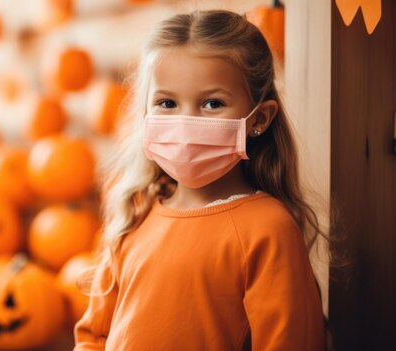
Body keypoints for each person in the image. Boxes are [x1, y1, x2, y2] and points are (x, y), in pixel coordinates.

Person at [74, 10, 326, 351]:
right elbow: (93, 336)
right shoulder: (136, 213)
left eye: (212, 103)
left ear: (260, 118)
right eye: (166, 102)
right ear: (144, 112)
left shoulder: (268, 230)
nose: (185, 121)